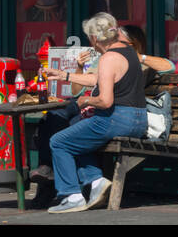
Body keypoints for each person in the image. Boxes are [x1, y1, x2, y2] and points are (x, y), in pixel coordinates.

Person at [45, 13, 148, 214]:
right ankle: (95, 181)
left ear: (93, 38)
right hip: (138, 120)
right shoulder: (127, 51)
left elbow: (105, 100)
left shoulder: (108, 58)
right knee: (77, 133)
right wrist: (64, 75)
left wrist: (86, 100)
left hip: (116, 119)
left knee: (58, 142)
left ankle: (71, 195)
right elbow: (98, 79)